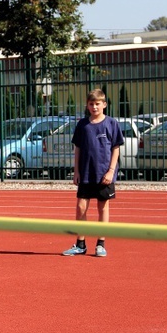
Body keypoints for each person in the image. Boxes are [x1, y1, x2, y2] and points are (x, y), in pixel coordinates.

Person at [62, 89, 124, 257]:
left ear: (104, 104)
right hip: (86, 173)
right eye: (91, 104)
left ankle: (101, 244)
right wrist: (76, 171)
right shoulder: (82, 125)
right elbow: (78, 149)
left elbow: (116, 148)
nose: (94, 107)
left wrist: (111, 171)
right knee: (81, 207)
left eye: (97, 104)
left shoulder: (111, 124)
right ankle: (80, 244)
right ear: (87, 105)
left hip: (104, 173)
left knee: (102, 207)